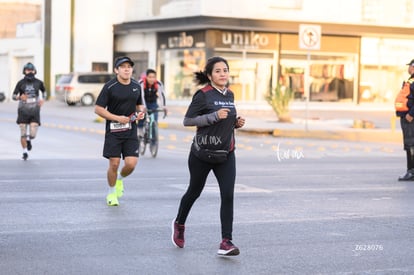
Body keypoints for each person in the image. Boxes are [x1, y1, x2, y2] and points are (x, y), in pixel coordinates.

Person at [171, 56, 246, 256]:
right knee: (194, 191)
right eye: (218, 71)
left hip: (226, 153)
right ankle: (179, 224)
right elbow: (188, 120)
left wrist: (235, 123)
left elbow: (226, 119)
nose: (223, 74)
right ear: (210, 75)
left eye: (225, 70)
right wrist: (213, 117)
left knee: (228, 195)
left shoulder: (230, 94)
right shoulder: (202, 95)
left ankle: (226, 241)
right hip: (202, 154)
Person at [94, 56, 145, 206]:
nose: (127, 69)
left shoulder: (136, 86)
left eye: (129, 66)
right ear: (117, 70)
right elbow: (98, 109)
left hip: (130, 130)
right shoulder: (110, 87)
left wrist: (140, 113)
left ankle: (119, 181)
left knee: (131, 164)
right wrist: (117, 118)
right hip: (113, 132)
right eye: (123, 67)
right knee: (114, 164)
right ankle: (111, 194)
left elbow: (139, 105)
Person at [12, 62, 46, 160]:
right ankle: (25, 152)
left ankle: (28, 139)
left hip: (35, 110)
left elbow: (44, 92)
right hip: (23, 110)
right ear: (24, 71)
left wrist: (43, 99)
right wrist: (19, 97)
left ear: (34, 71)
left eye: (31, 70)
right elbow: (13, 96)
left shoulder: (39, 82)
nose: (29, 72)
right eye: (27, 70)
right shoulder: (20, 83)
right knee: (22, 132)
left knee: (33, 134)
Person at [397, 58, 414, 181]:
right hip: (407, 116)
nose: (409, 68)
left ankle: (411, 171)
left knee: (410, 145)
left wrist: (411, 114)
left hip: (410, 118)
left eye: (410, 66)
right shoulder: (411, 80)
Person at [137, 69, 167, 137]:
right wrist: (143, 107)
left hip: (153, 103)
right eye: (150, 77)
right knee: (142, 117)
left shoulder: (158, 83)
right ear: (146, 77)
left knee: (154, 120)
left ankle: (153, 141)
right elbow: (141, 96)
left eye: (153, 77)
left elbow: (162, 95)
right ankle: (140, 131)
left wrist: (164, 107)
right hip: (143, 102)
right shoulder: (141, 83)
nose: (152, 79)